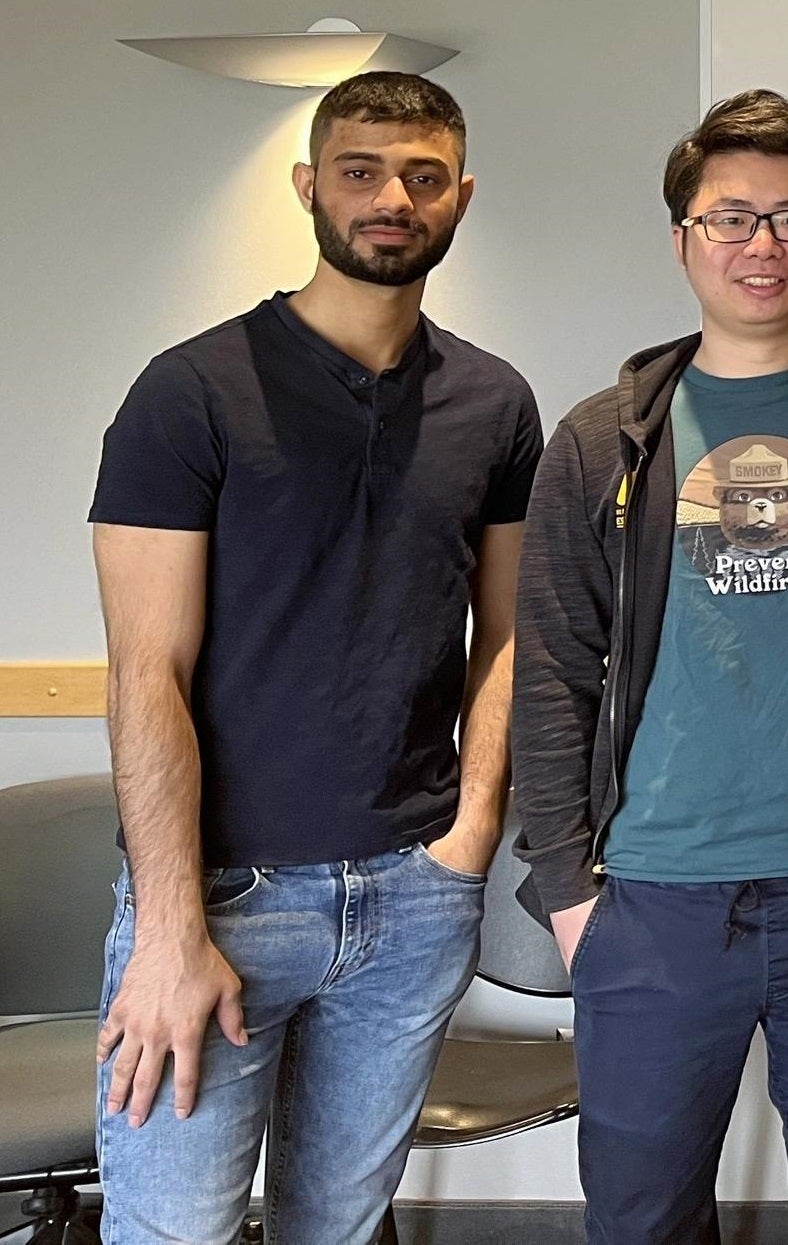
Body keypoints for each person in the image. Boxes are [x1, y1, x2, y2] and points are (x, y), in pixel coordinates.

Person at [87, 71, 538, 1244]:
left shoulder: (494, 405)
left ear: (460, 196)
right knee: (173, 1232)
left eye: (422, 176)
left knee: (337, 1228)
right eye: (360, 170)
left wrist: (468, 837)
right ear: (309, 188)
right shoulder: (189, 393)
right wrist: (173, 928)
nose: (392, 196)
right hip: (223, 898)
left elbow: (511, 641)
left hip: (411, 892)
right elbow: (147, 677)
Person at [509, 89, 788, 1244]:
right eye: (730, 218)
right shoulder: (605, 438)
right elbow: (552, 673)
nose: (761, 246)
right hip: (654, 899)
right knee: (642, 1222)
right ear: (683, 237)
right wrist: (573, 898)